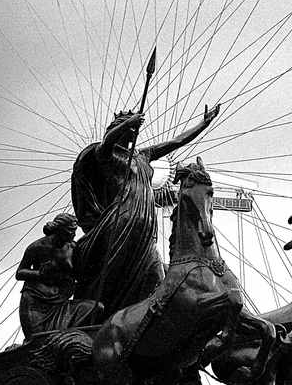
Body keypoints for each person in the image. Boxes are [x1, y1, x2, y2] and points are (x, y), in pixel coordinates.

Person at [70, 104, 220, 315]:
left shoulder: (143, 156)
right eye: (131, 128)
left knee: (156, 276)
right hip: (121, 224)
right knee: (115, 274)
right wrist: (129, 123)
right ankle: (100, 314)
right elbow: (107, 142)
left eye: (136, 128)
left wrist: (204, 123)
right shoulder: (105, 155)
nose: (136, 131)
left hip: (145, 228)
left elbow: (176, 141)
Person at [16, 213, 101, 339]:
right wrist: (40, 274)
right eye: (70, 230)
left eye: (75, 230)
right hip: (37, 302)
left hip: (62, 301)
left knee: (96, 308)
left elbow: (79, 273)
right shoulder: (38, 247)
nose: (74, 234)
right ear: (59, 228)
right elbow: (20, 273)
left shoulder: (73, 247)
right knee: (38, 339)